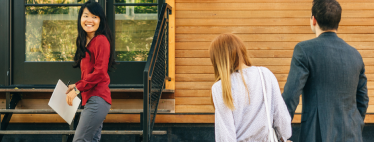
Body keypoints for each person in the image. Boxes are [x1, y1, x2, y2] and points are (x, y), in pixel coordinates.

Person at [282, 0, 369, 142]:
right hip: (352, 135)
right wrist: (354, 125)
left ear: (314, 19)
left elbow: (291, 96)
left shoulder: (304, 50)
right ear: (337, 21)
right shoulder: (355, 55)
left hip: (316, 135)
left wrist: (280, 131)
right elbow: (363, 100)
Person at [210, 33, 292, 141]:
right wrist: (284, 136)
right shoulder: (265, 74)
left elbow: (225, 135)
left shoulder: (220, 87)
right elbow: (282, 120)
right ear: (241, 50)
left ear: (217, 60)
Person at [65, 1, 116, 142]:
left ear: (100, 20)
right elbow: (90, 74)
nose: (89, 20)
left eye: (95, 17)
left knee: (80, 140)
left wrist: (77, 90)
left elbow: (100, 73)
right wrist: (76, 85)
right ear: (80, 18)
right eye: (86, 15)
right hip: (91, 100)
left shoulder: (101, 40)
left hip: (97, 99)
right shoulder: (86, 42)